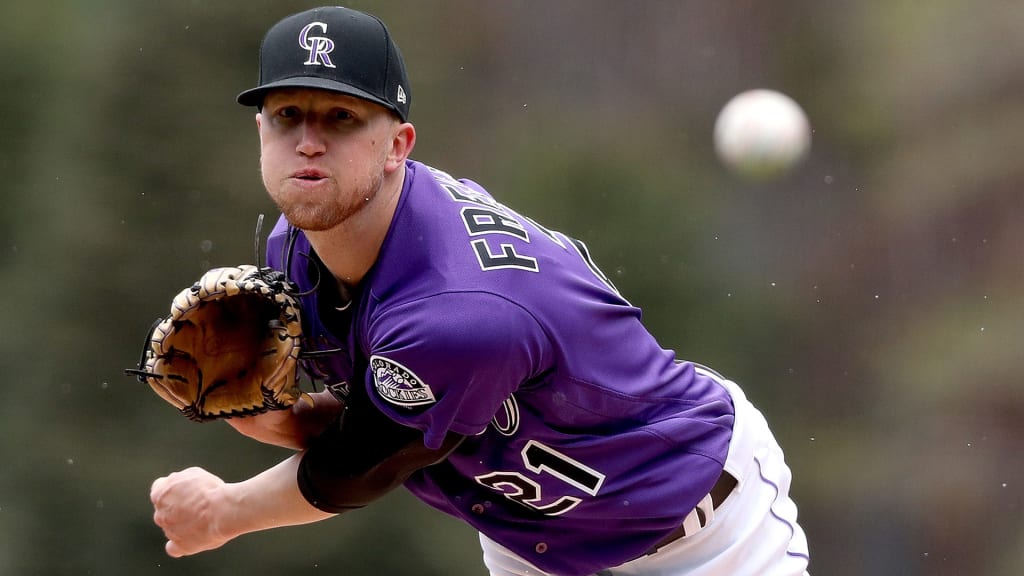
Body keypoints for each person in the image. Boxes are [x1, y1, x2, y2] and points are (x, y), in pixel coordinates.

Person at [148, 6, 811, 576]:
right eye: (287, 113)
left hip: (705, 533)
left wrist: (223, 513)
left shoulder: (456, 314)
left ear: (397, 145)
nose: (309, 141)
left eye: (342, 117)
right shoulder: (295, 251)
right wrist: (269, 414)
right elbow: (376, 422)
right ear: (259, 131)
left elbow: (357, 470)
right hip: (533, 540)